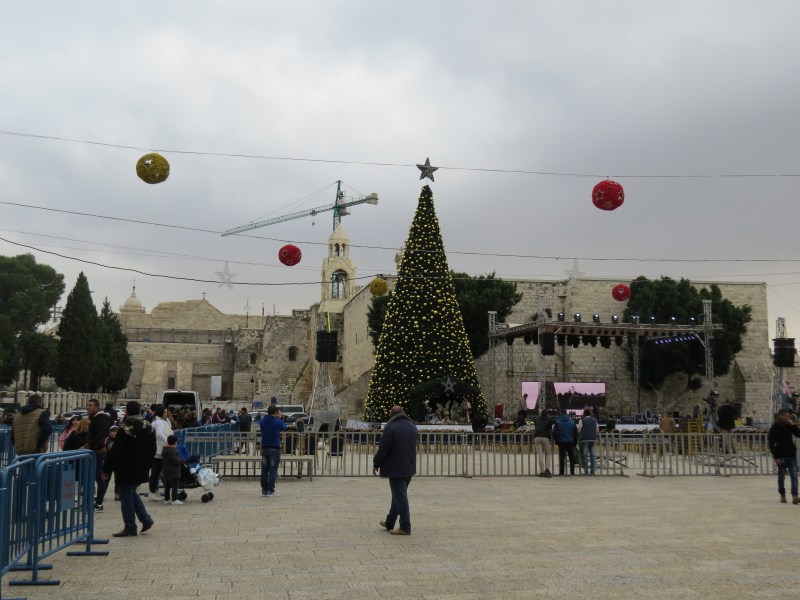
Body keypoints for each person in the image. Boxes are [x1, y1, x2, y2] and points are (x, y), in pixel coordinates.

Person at [101, 401, 156, 537]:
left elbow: (116, 452)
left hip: (126, 467)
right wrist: (149, 464)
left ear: (126, 412)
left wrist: (106, 468)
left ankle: (130, 526)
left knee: (125, 496)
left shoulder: (126, 429)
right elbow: (153, 449)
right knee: (131, 492)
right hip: (142, 466)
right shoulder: (148, 427)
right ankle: (146, 519)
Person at [373, 405, 418, 536]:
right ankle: (390, 522)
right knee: (398, 495)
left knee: (400, 497)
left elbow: (383, 449)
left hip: (396, 467)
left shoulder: (391, 427)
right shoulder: (412, 426)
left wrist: (377, 463)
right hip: (409, 466)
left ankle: (405, 526)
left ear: (391, 414)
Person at [768, 408, 800, 505]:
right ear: (780, 416)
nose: (788, 418)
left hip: (791, 455)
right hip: (781, 457)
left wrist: (793, 425)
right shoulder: (774, 428)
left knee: (794, 476)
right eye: (786, 416)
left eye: (788, 416)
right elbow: (771, 444)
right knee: (781, 477)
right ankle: (782, 494)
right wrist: (776, 457)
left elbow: (798, 434)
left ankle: (795, 496)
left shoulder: (789, 426)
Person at [85, 398, 111, 511]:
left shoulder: (100, 420)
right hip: (94, 452)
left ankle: (99, 503)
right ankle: (92, 502)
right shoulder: (95, 419)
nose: (88, 407)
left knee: (100, 478)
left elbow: (101, 436)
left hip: (99, 453)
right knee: (94, 478)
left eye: (90, 405)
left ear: (97, 407)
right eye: (87, 405)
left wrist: (90, 446)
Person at [259, 404, 288, 497]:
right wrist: (280, 417)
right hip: (274, 448)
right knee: (272, 470)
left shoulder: (262, 421)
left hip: (264, 447)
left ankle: (264, 489)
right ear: (275, 412)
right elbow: (284, 427)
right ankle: (270, 490)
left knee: (264, 469)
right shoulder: (277, 421)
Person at [148, 405, 173, 500]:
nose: (166, 413)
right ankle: (152, 491)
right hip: (159, 450)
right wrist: (168, 442)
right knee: (156, 472)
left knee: (157, 472)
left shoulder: (161, 421)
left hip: (161, 450)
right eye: (165, 412)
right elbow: (159, 433)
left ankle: (155, 491)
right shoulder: (158, 422)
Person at [553, 410, 579, 476]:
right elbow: (575, 433)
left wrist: (557, 441)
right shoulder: (572, 422)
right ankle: (572, 472)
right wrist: (575, 442)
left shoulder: (557, 422)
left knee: (562, 458)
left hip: (561, 441)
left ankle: (562, 472)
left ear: (560, 413)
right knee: (571, 457)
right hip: (570, 441)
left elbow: (555, 433)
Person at [160, 434, 184, 505]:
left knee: (167, 486)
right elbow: (176, 461)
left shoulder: (164, 449)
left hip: (166, 471)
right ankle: (174, 499)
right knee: (175, 486)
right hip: (174, 472)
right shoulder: (173, 451)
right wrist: (183, 460)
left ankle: (167, 499)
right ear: (175, 442)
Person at [532, 409, 553, 477]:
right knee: (548, 453)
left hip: (537, 437)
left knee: (540, 454)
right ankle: (547, 469)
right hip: (545, 437)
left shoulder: (537, 418)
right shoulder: (549, 419)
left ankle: (542, 471)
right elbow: (550, 429)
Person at [579, 409, 598, 476]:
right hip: (593, 439)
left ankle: (586, 471)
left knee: (584, 455)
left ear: (584, 414)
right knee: (592, 455)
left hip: (584, 439)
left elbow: (579, 430)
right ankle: (593, 471)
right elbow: (597, 429)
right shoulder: (594, 420)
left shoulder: (582, 420)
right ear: (590, 414)